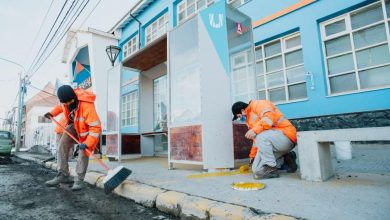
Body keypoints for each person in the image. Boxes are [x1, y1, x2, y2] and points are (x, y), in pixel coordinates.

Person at [44, 85, 101, 190]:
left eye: (69, 102)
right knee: (62, 146)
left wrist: (87, 143)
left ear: (73, 97)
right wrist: (52, 113)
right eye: (65, 103)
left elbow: (95, 127)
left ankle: (79, 180)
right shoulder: (65, 101)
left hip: (87, 130)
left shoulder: (87, 105)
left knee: (83, 152)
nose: (67, 104)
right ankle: (63, 175)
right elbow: (60, 107)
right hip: (74, 126)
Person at [232, 100, 297, 179]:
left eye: (239, 116)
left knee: (260, 136)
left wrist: (254, 130)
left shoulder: (257, 104)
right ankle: (286, 158)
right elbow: (256, 142)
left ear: (242, 110)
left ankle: (271, 168)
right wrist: (252, 157)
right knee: (257, 170)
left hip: (286, 136)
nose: (240, 119)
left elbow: (268, 118)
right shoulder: (249, 121)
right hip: (274, 142)